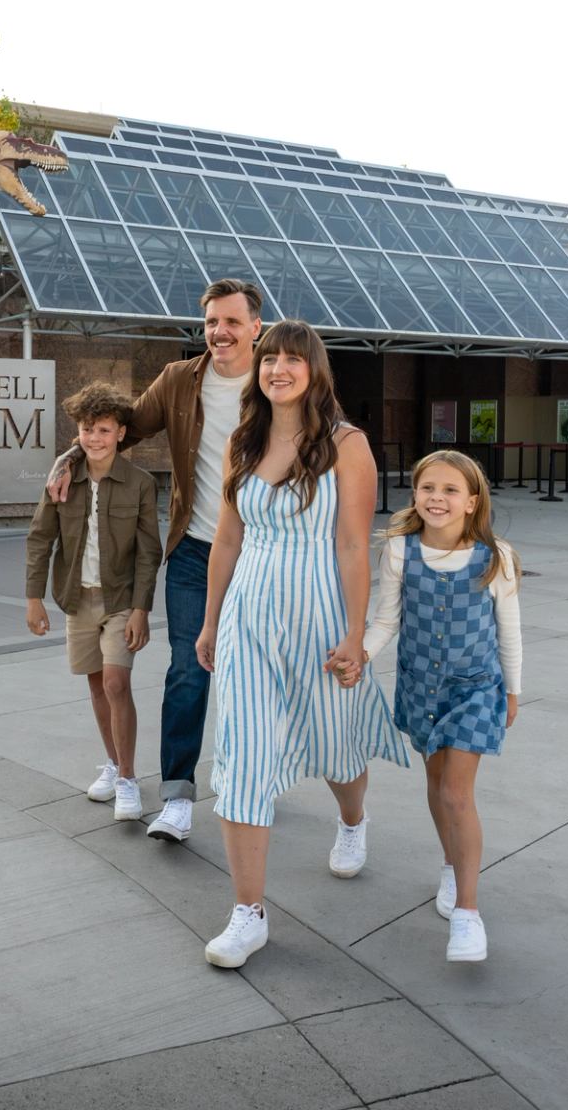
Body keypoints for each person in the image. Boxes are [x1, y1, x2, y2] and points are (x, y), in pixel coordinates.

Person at [195, 321, 404, 969]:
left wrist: (355, 635)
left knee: (336, 745)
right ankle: (248, 913)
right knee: (242, 759)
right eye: (269, 359)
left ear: (315, 370)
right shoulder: (243, 441)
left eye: (292, 359)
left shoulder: (348, 445)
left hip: (319, 617)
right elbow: (227, 540)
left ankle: (352, 820)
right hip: (249, 619)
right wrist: (209, 622)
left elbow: (351, 545)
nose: (278, 368)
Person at [49, 278, 263, 845]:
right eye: (213, 321)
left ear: (254, 327)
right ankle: (177, 795)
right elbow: (122, 427)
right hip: (195, 548)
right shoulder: (178, 380)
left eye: (232, 322)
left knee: (257, 678)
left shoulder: (280, 376)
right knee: (188, 672)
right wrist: (71, 454)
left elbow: (328, 440)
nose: (220, 332)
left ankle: (255, 782)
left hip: (265, 551)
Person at [362, 449, 523, 964]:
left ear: (472, 502)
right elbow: (386, 620)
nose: (438, 498)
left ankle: (468, 915)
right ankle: (452, 866)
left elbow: (509, 631)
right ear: (415, 494)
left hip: (476, 688)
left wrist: (513, 691)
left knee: (457, 794)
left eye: (451, 490)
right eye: (429, 487)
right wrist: (360, 653)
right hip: (420, 687)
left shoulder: (495, 556)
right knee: (435, 787)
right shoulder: (398, 552)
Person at [24, 382, 161, 822]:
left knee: (117, 684)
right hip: (76, 600)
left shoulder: (140, 483)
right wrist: (34, 598)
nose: (95, 438)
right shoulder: (62, 478)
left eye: (103, 430)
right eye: (87, 429)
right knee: (96, 685)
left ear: (121, 433)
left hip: (120, 598)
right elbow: (40, 538)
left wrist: (141, 608)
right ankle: (112, 760)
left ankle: (127, 778)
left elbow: (148, 550)